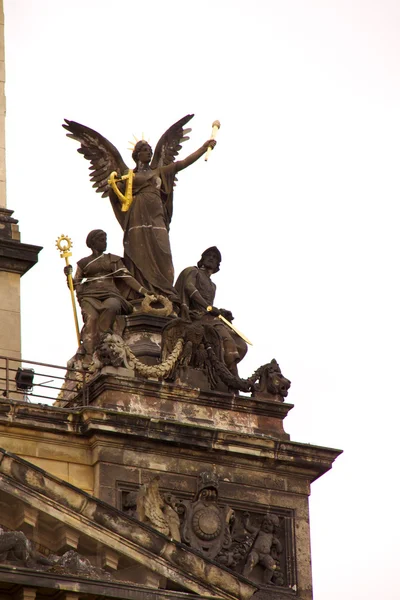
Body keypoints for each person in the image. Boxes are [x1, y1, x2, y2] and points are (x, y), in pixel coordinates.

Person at [109, 138, 217, 302]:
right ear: (137, 154)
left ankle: (165, 291)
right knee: (138, 250)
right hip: (137, 215)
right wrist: (113, 188)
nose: (149, 152)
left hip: (157, 215)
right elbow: (116, 191)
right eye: (145, 150)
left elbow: (183, 163)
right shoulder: (129, 175)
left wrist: (203, 148)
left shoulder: (159, 171)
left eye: (150, 150)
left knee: (163, 251)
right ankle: (141, 293)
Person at [66, 229, 149, 358]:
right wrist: (68, 276)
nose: (105, 243)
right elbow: (74, 284)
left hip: (111, 294)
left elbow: (126, 277)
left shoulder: (112, 259)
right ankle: (89, 352)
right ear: (93, 243)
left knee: (112, 306)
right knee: (91, 318)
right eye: (101, 240)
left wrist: (143, 291)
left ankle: (103, 338)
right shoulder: (84, 263)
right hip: (89, 296)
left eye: (105, 240)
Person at [175, 247, 247, 375]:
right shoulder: (193, 271)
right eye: (209, 255)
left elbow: (209, 306)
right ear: (202, 259)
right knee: (229, 342)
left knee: (241, 344)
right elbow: (189, 287)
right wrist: (208, 307)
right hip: (195, 316)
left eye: (215, 257)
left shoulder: (213, 286)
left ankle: (226, 370)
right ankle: (230, 374)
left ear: (217, 265)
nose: (211, 258)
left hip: (209, 318)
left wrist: (220, 312)